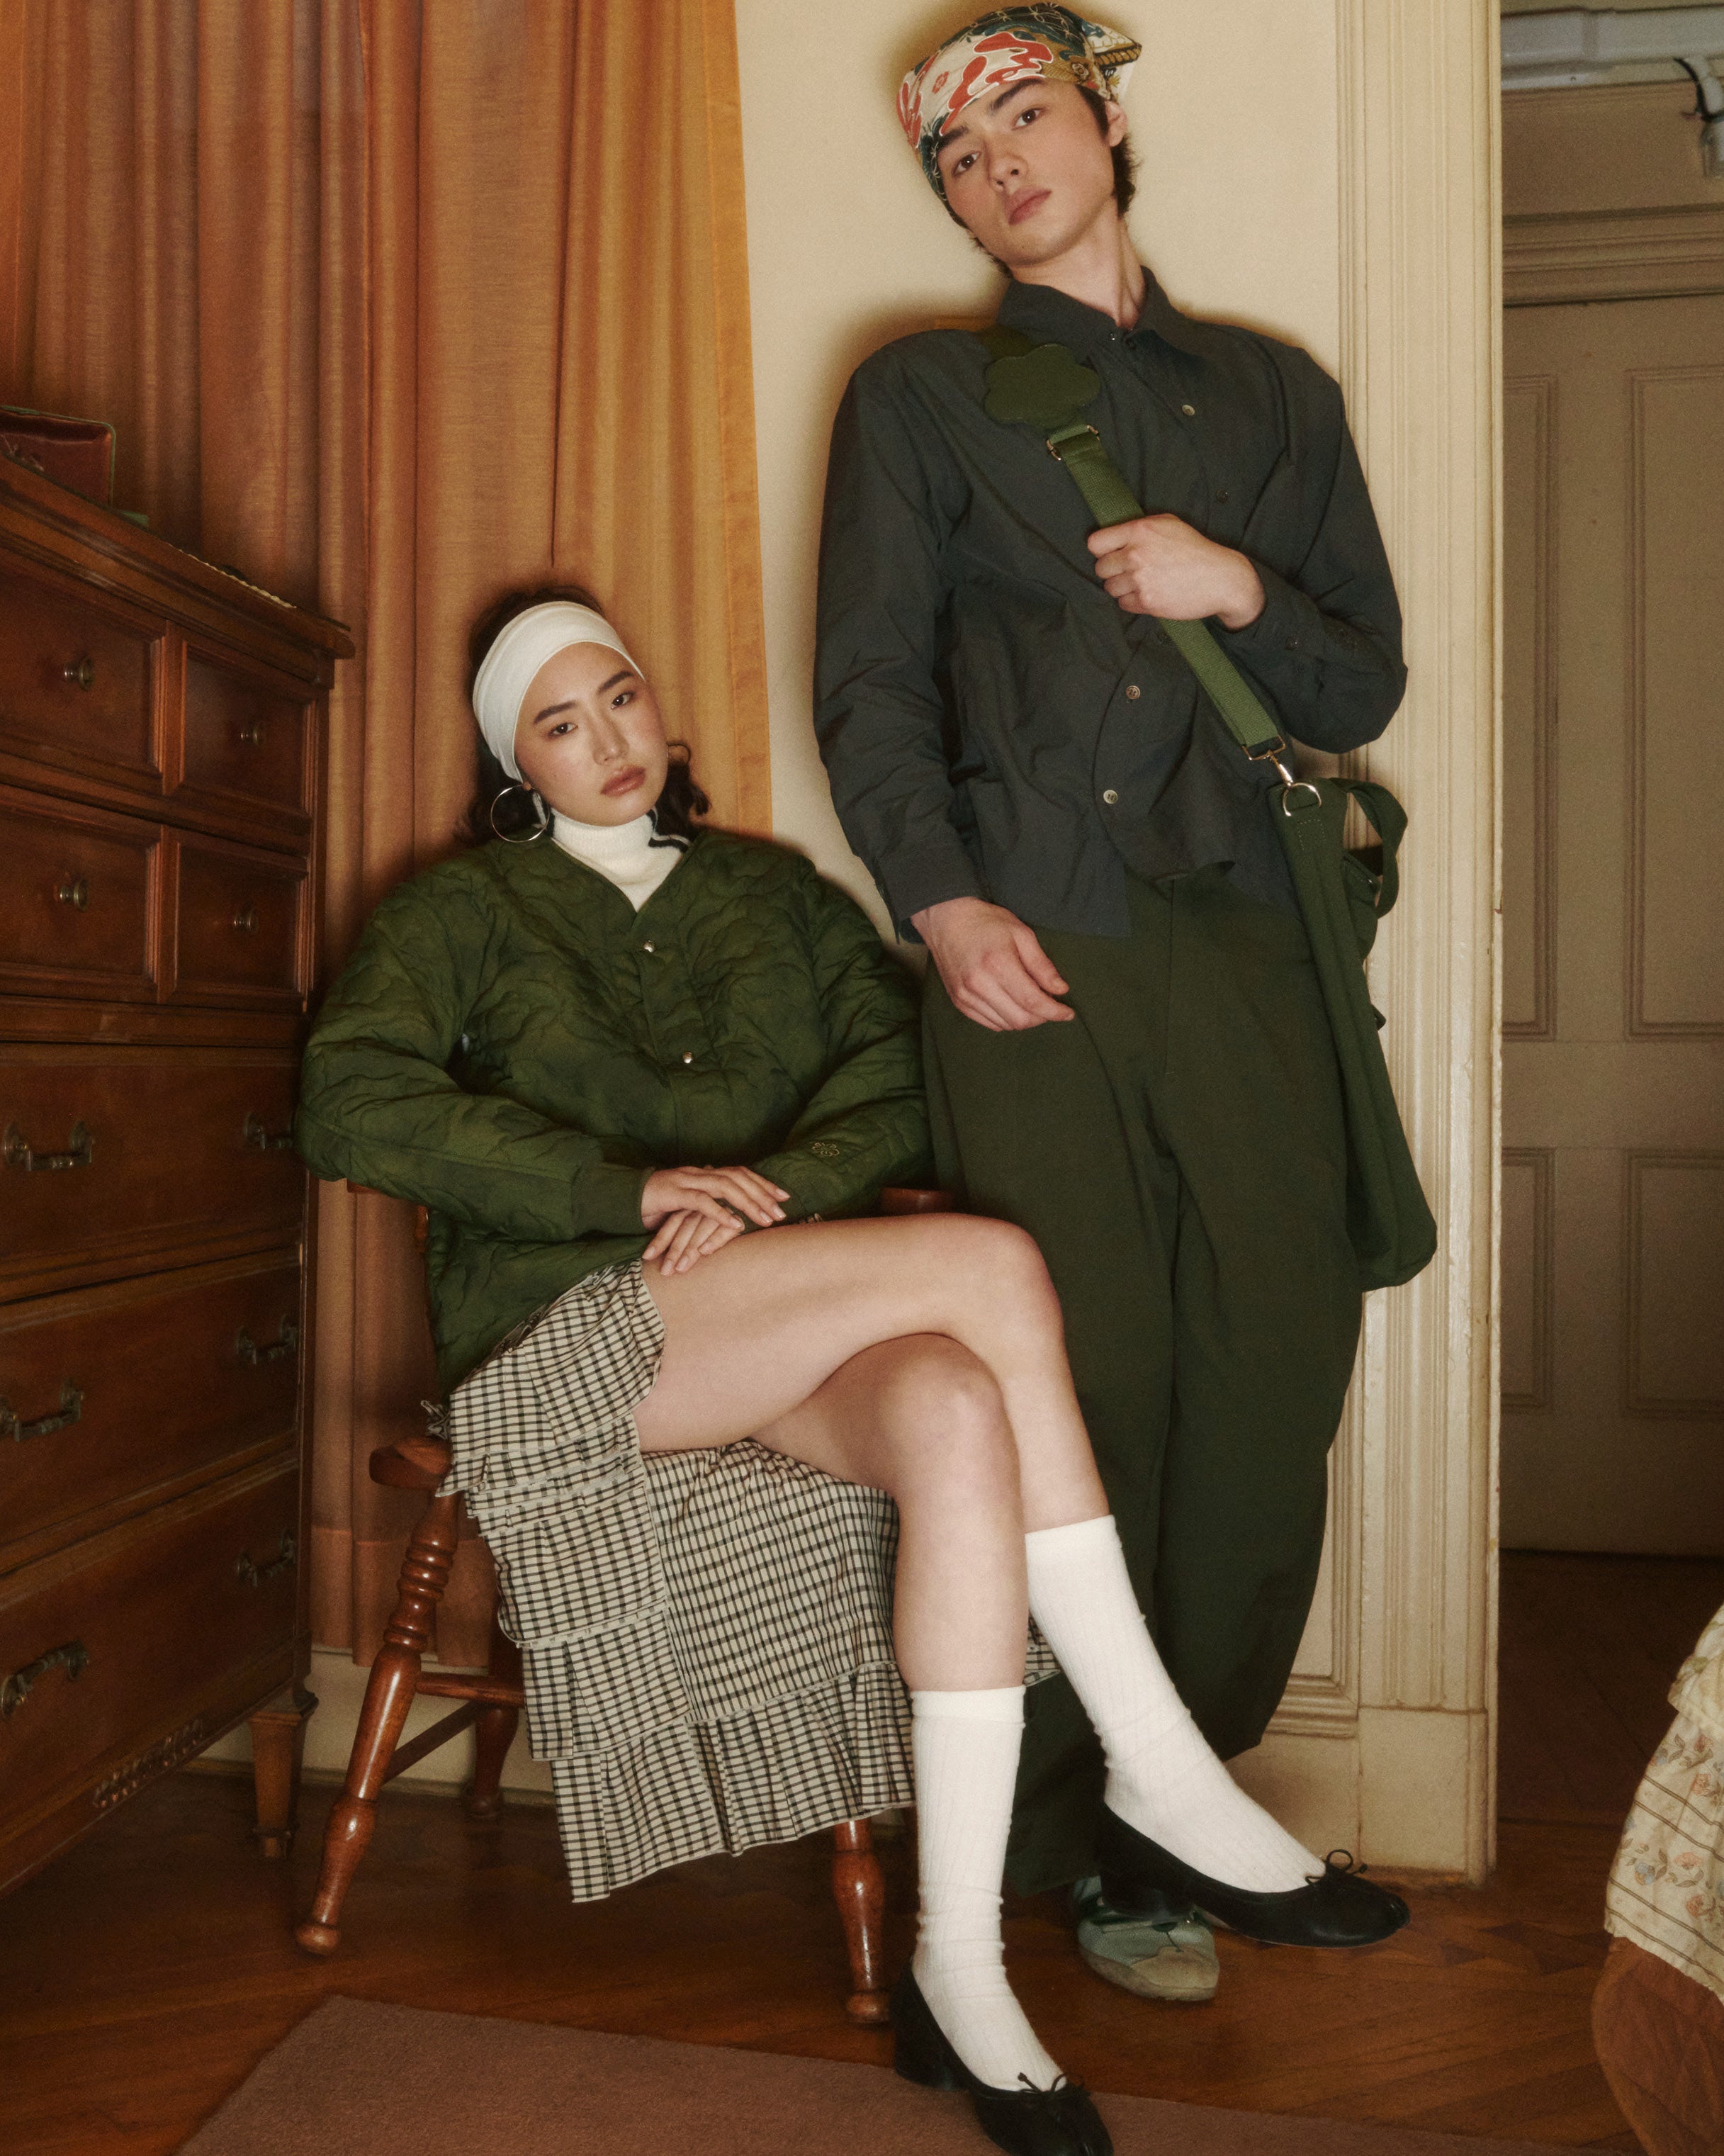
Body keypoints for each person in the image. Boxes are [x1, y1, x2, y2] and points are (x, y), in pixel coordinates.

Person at [295, 590, 1404, 2156]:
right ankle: (1157, 1761)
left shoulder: (780, 900)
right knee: (994, 1270)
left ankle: (960, 1969)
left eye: (620, 696)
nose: (606, 741)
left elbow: (898, 1075)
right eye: (559, 723)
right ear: (514, 762)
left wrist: (771, 1193)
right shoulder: (458, 914)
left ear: (660, 711)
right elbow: (348, 1103)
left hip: (752, 1323)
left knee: (954, 1405)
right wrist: (629, 1194)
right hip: (567, 1340)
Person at [816, 7, 1411, 2005]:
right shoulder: (920, 399)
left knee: (1267, 1370)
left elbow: (1359, 680)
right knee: (1086, 1386)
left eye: (1027, 121)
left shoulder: (1274, 398)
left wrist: (1236, 584)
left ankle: (1187, 1799)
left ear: (1104, 123)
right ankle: (1078, 1850)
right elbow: (870, 681)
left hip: (1246, 940)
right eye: (961, 161)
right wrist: (943, 898)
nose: (1000, 170)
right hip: (1029, 953)